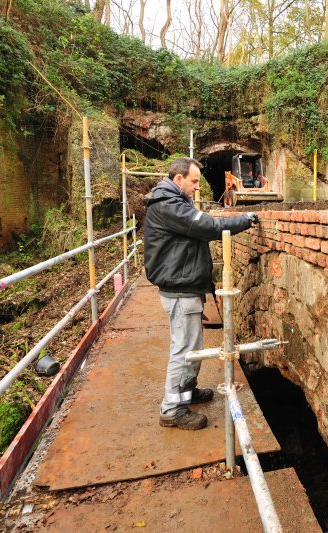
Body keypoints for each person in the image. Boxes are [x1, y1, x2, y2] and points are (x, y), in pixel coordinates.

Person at [144, 157, 259, 430]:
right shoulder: (169, 205)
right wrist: (245, 219)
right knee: (185, 350)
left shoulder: (175, 202)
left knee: (190, 347)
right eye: (194, 181)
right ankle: (173, 410)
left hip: (183, 286)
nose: (197, 187)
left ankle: (187, 391)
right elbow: (208, 227)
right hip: (180, 289)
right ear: (179, 179)